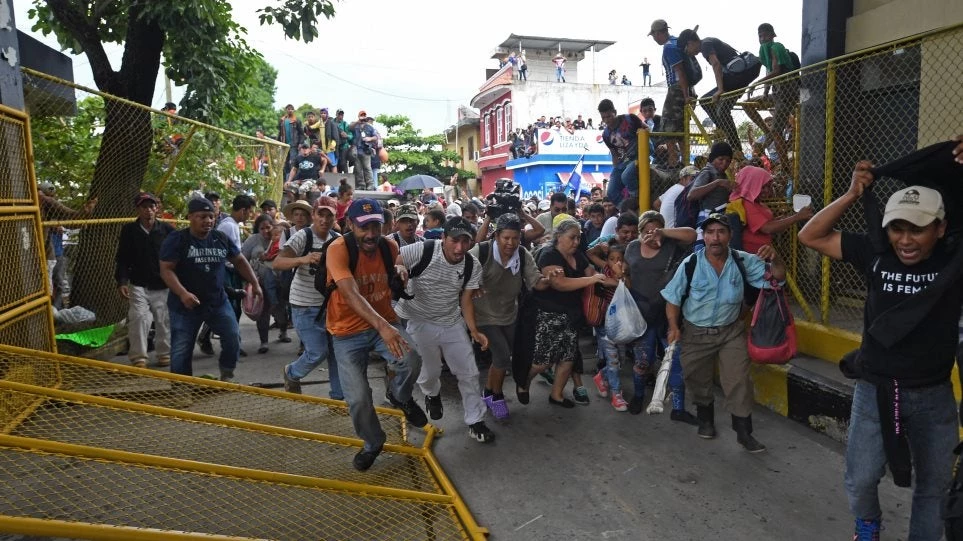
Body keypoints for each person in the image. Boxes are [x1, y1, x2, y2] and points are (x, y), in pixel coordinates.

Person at [798, 158, 963, 541]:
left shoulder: (953, 263)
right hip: (875, 390)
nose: (905, 240)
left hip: (934, 396)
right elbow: (811, 236)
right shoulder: (875, 253)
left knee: (934, 488)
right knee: (860, 478)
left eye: (918, 230)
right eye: (897, 228)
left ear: (940, 229)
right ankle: (868, 525)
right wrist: (852, 194)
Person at [661, 213, 784, 452]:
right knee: (697, 379)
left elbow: (777, 279)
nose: (715, 238)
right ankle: (705, 419)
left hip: (731, 332)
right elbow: (672, 299)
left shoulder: (742, 261)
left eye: (720, 232)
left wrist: (776, 258)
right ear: (703, 237)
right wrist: (674, 327)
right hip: (696, 334)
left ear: (730, 235)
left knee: (738, 381)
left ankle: (744, 432)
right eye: (709, 232)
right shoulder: (691, 264)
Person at [324, 198, 428, 471]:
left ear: (385, 226)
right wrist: (384, 327)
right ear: (349, 225)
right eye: (363, 227)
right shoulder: (338, 249)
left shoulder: (389, 246)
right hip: (346, 332)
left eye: (376, 226)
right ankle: (373, 443)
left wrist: (400, 271)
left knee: (413, 360)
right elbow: (350, 292)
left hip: (384, 322)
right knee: (358, 398)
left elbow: (396, 268)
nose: (370, 234)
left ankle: (400, 396)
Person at [395, 216, 495, 443]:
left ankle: (475, 421)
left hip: (451, 321)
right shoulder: (422, 250)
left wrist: (474, 331)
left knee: (469, 372)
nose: (459, 248)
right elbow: (398, 258)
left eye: (465, 241)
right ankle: (431, 394)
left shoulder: (472, 265)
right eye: (454, 241)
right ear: (443, 238)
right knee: (429, 372)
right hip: (417, 320)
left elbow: (467, 300)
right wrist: (399, 267)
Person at [159, 198, 261, 381]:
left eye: (211, 217)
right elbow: (166, 269)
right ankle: (181, 386)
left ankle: (227, 373)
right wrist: (183, 293)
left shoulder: (220, 238)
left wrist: (255, 283)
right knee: (182, 347)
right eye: (202, 217)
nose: (207, 221)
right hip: (185, 306)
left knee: (232, 337)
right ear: (190, 217)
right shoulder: (178, 239)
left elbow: (239, 260)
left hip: (217, 301)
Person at [515, 218, 606, 407]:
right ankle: (523, 381)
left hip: (571, 314)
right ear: (559, 237)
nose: (576, 242)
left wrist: (606, 277)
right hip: (549, 315)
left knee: (567, 358)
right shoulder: (549, 255)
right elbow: (560, 284)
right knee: (543, 361)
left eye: (578, 238)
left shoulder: (578, 255)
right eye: (572, 238)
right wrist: (591, 280)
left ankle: (556, 395)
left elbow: (590, 273)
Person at [619, 211, 698, 419]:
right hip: (641, 314)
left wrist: (661, 232)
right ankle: (638, 396)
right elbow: (625, 271)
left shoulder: (672, 246)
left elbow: (692, 235)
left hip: (668, 313)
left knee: (674, 362)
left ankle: (679, 409)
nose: (651, 236)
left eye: (655, 231)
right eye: (646, 232)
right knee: (642, 361)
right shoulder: (633, 247)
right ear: (640, 232)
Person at [469, 214, 548, 419]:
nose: (510, 243)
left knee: (510, 356)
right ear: (496, 236)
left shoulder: (522, 254)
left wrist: (550, 279)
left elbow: (537, 282)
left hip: (509, 315)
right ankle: (497, 395)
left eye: (515, 238)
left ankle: (488, 391)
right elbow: (460, 267)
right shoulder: (482, 251)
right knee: (503, 356)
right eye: (506, 238)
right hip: (482, 316)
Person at [275, 197, 343, 399]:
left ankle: (338, 398)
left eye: (328, 215)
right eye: (320, 214)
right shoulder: (302, 236)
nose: (324, 219)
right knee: (317, 352)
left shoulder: (337, 239)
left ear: (335, 217)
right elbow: (278, 263)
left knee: (336, 355)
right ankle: (292, 373)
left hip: (330, 306)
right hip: (304, 306)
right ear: (313, 215)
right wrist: (303, 259)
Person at [115, 193, 174, 368]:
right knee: (139, 317)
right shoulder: (129, 231)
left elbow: (178, 255)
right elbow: (123, 258)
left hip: (163, 283)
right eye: (144, 207)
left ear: (157, 208)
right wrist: (122, 281)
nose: (148, 210)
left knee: (164, 318)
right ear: (138, 210)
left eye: (151, 206)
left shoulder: (167, 230)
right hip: (138, 283)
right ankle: (139, 357)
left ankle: (164, 353)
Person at [680, 30, 761, 156]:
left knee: (706, 101)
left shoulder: (705, 45)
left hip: (738, 76)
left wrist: (720, 89)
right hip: (740, 76)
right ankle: (728, 135)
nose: (689, 53)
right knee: (721, 109)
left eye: (687, 50)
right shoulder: (708, 41)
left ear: (690, 43)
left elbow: (716, 64)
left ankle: (731, 141)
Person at [728, 165, 812, 254]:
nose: (767, 190)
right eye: (763, 187)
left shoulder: (758, 203)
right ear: (751, 185)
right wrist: (796, 217)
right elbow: (767, 228)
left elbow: (770, 224)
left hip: (764, 252)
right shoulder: (746, 204)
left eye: (769, 186)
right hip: (754, 256)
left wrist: (785, 218)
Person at [752, 23, 799, 168]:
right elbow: (769, 72)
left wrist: (756, 83)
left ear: (773, 35)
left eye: (766, 35)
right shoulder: (764, 51)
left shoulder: (776, 47)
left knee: (777, 132)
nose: (763, 38)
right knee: (749, 104)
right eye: (760, 36)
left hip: (787, 93)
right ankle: (767, 132)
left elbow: (776, 71)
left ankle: (784, 167)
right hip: (776, 94)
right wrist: (765, 93)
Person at [241, 213, 282, 354]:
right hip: (259, 283)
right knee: (263, 313)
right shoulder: (252, 241)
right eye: (262, 228)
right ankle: (264, 342)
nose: (266, 231)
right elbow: (242, 260)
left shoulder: (280, 237)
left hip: (278, 283)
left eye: (268, 227)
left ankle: (283, 331)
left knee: (280, 309)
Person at [649, 19, 687, 168]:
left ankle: (674, 161)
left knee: (667, 127)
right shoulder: (678, 42)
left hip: (677, 89)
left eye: (654, 35)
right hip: (684, 89)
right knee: (680, 129)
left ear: (658, 33)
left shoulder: (669, 47)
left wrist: (684, 95)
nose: (654, 39)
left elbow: (680, 71)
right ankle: (683, 161)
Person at [687, 141, 735, 246]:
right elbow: (692, 195)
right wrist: (717, 183)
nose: (724, 163)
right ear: (713, 158)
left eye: (728, 161)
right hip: (707, 216)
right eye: (721, 159)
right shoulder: (707, 172)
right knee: (704, 248)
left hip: (719, 217)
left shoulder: (721, 174)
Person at [598, 99, 643, 206]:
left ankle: (636, 202)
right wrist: (615, 169)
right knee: (611, 192)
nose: (607, 120)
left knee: (626, 176)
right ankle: (626, 209)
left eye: (609, 116)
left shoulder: (630, 119)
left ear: (615, 112)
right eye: (603, 117)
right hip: (623, 161)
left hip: (639, 156)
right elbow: (614, 154)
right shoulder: (606, 134)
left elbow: (646, 129)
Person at [277, 104, 303, 179]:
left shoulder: (296, 120)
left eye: (291, 109)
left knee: (292, 162)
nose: (290, 110)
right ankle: (286, 179)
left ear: (293, 110)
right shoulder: (282, 120)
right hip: (284, 145)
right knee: (284, 163)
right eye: (288, 109)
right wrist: (277, 142)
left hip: (293, 145)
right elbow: (280, 133)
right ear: (286, 110)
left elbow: (301, 133)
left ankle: (292, 179)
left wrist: (300, 143)